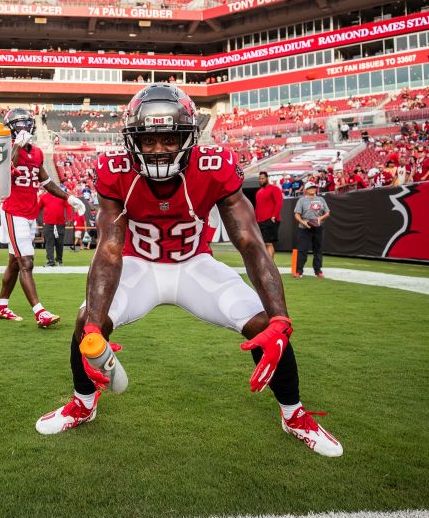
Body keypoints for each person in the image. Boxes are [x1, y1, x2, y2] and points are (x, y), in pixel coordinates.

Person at [34, 84, 341, 458]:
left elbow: (250, 243)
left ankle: (294, 415)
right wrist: (97, 323)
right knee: (87, 322)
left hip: (195, 266)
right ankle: (84, 404)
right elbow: (110, 248)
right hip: (139, 265)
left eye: (170, 138)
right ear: (133, 141)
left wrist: (281, 319)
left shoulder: (215, 166)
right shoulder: (114, 170)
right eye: (148, 140)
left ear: (189, 138)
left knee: (267, 327)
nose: (159, 149)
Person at [0, 108, 86, 327]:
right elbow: (6, 171)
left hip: (29, 213)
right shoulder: (3, 147)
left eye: (26, 124)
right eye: (19, 124)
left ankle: (1, 306)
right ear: (10, 128)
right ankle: (40, 312)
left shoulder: (37, 153)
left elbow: (46, 182)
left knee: (15, 263)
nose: (24, 128)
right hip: (13, 211)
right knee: (27, 262)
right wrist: (16, 145)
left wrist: (69, 198)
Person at [292, 183, 329, 278]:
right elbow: (297, 214)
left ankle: (318, 270)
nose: (313, 189)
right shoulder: (302, 200)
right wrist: (302, 222)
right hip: (304, 228)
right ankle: (299, 271)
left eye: (314, 187)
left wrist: (320, 218)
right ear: (306, 189)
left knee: (318, 249)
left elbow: (327, 212)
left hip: (318, 227)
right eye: (310, 187)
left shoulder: (321, 199)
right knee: (302, 250)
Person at [41, 180, 71, 267]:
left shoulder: (61, 196)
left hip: (60, 223)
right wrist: (32, 218)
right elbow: (38, 208)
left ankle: (59, 260)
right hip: (48, 223)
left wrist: (69, 218)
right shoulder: (43, 197)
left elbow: (68, 206)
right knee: (49, 242)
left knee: (59, 242)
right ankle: (50, 260)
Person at [253, 171, 283, 259]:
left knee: (268, 243)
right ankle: (266, 264)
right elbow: (257, 207)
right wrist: (255, 220)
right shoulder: (259, 192)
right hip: (260, 221)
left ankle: (270, 266)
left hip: (270, 220)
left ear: (267, 178)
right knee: (262, 244)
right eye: (260, 179)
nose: (261, 180)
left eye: (262, 178)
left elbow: (279, 203)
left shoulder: (274, 188)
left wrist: (274, 216)